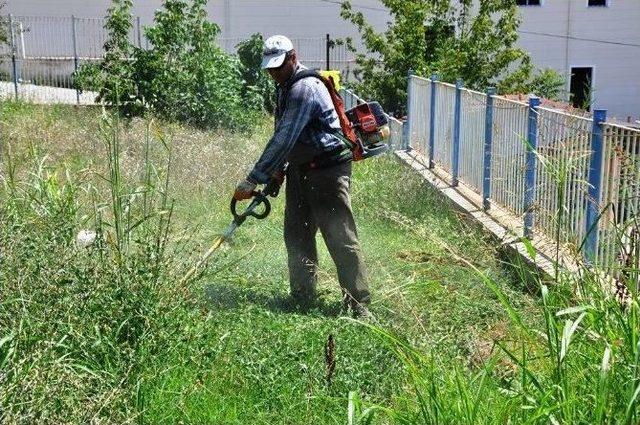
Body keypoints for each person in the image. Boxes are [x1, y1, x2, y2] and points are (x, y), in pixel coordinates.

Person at [233, 35, 370, 317]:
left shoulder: (304, 88)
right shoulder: (284, 87)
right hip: (301, 169)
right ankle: (303, 296)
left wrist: (253, 178)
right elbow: (287, 137)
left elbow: (284, 138)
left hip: (327, 171)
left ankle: (359, 304)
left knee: (339, 235)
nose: (273, 73)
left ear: (293, 58)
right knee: (296, 233)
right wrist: (276, 173)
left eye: (278, 67)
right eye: (270, 68)